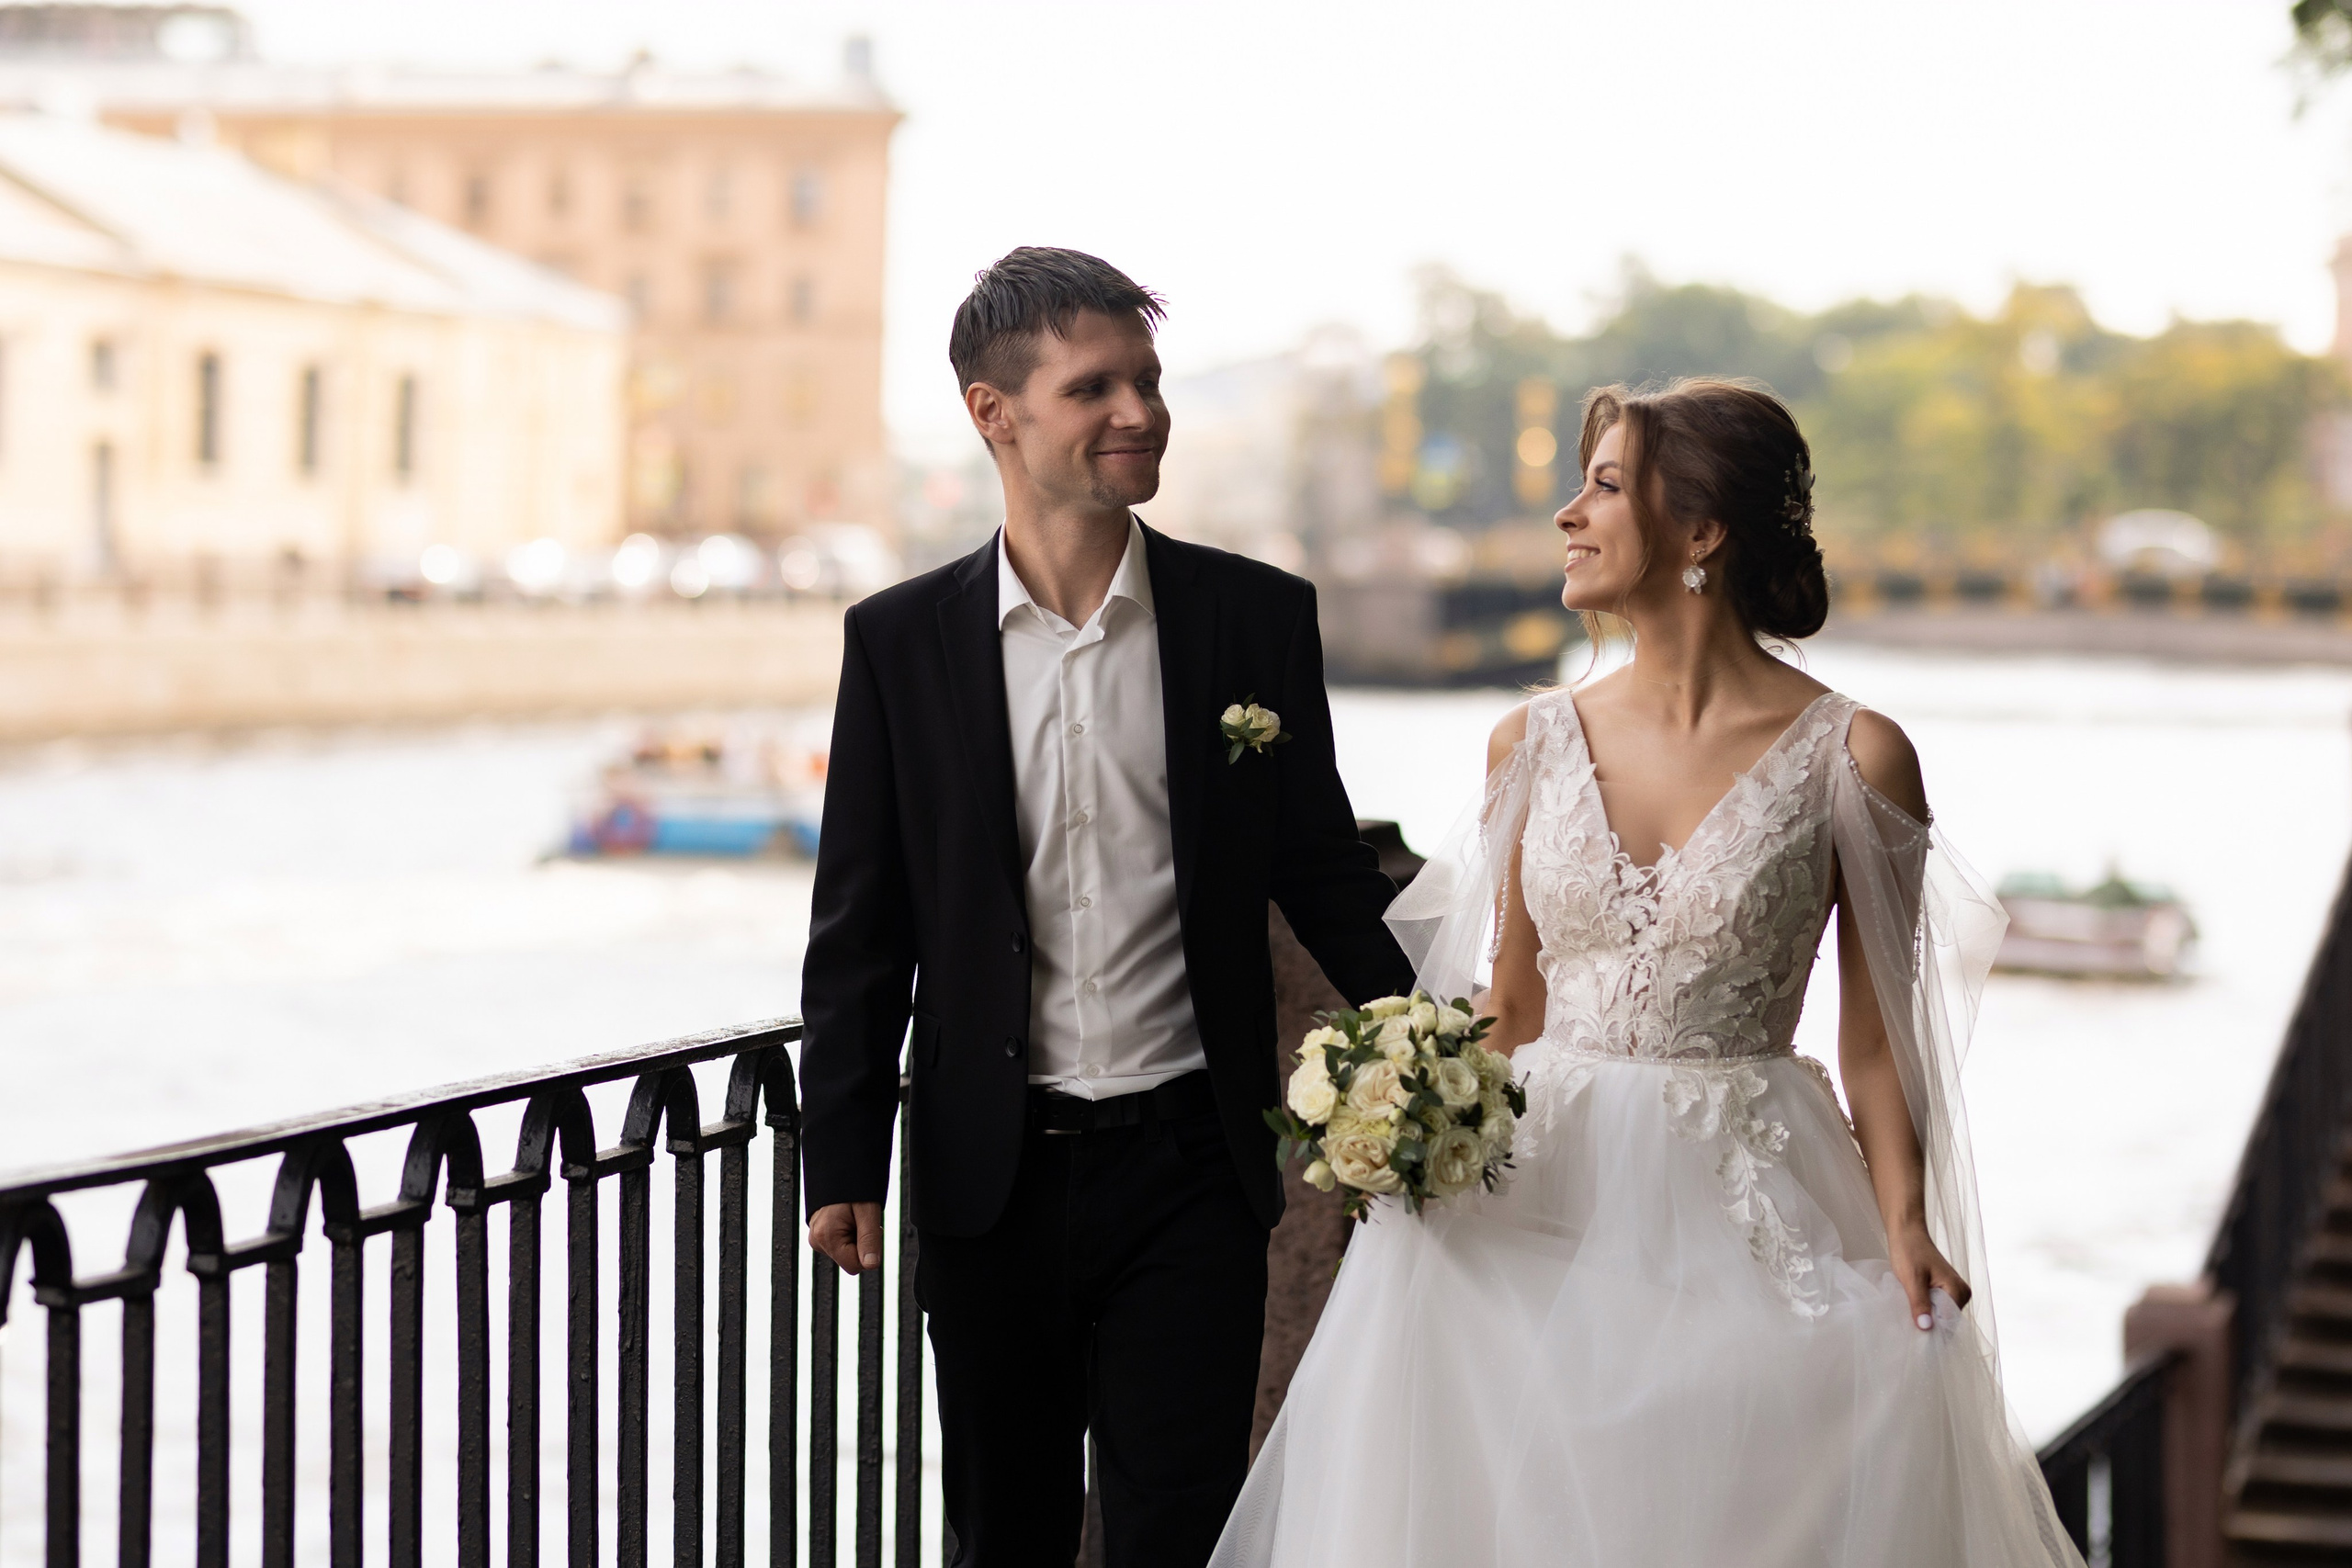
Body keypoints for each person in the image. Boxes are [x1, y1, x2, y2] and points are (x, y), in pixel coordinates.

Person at [1211, 378, 2083, 1567]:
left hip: (1742, 1187)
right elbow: (1510, 1003)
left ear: (1702, 532)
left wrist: (1907, 1223)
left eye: (1607, 485)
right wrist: (1402, 1121)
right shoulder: (1528, 742)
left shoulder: (1858, 755)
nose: (1567, 513)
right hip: (1539, 1183)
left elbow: (1877, 1037)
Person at [797, 247, 1417, 1568]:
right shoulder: (900, 643)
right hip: (989, 1173)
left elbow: (1317, 868)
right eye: (1095, 388)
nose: (1140, 411)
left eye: (1147, 380)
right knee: (1004, 1530)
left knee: (1174, 1525)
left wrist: (1433, 1051)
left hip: (1192, 1163)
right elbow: (863, 919)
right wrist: (842, 1151)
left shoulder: (1253, 621)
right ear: (994, 415)